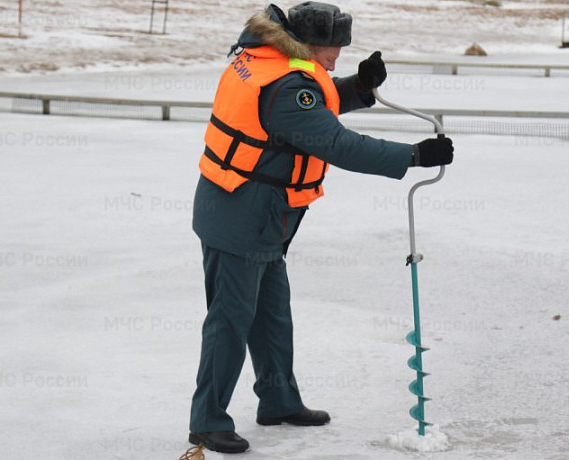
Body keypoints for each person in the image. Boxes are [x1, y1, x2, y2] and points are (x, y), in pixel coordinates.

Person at [188, 2, 454, 454]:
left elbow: (316, 97)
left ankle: (277, 401)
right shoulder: (287, 86)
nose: (335, 59)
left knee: (272, 317)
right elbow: (334, 141)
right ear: (307, 44)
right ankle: (207, 421)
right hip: (240, 215)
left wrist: (361, 87)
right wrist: (411, 156)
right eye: (332, 51)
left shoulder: (272, 60)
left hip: (262, 213)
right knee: (230, 322)